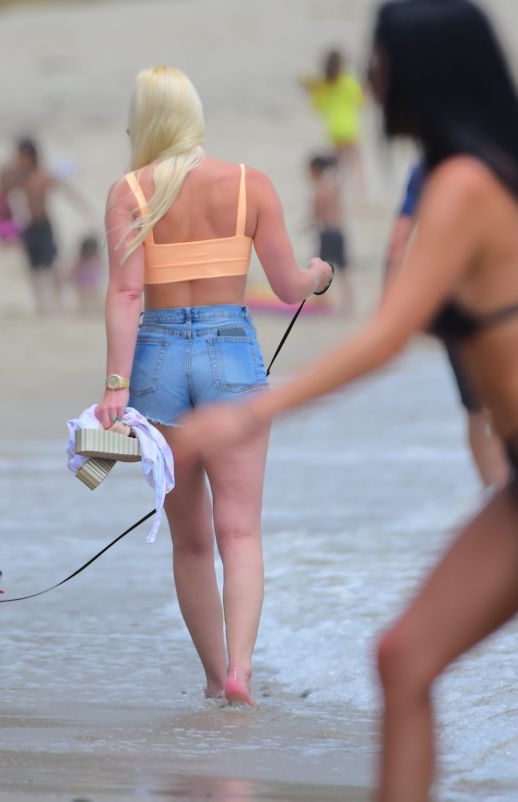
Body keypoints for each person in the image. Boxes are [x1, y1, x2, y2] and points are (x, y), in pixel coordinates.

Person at [178, 1, 518, 798]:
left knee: (404, 662)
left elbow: (385, 337)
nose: (370, 85)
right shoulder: (469, 174)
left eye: (381, 66)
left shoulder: (467, 184)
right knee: (403, 661)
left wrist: (251, 409)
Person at [95, 66, 333, 704]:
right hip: (231, 351)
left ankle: (210, 675)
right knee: (241, 530)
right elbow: (287, 287)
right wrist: (320, 272)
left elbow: (123, 294)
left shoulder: (129, 193)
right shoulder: (250, 184)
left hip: (157, 358)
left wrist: (116, 385)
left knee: (191, 539)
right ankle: (241, 672)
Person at [387, 163, 508, 488]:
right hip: (500, 296)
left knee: (475, 408)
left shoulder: (425, 168)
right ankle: (506, 498)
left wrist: (390, 301)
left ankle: (493, 492)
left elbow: (400, 237)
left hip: (453, 301)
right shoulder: (493, 156)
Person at [0, 137, 92, 314]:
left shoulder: (42, 176)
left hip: (44, 226)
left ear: (31, 156)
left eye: (21, 157)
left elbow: (68, 192)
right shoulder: (18, 178)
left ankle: (58, 302)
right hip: (28, 227)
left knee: (51, 266)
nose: (18, 160)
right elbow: (3, 192)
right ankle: (40, 305)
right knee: (33, 268)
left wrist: (86, 212)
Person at [302, 50, 365, 198]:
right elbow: (360, 102)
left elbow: (317, 107)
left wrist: (313, 90)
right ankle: (360, 195)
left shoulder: (323, 86)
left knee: (337, 166)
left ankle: (338, 192)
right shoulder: (348, 82)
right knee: (357, 164)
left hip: (334, 129)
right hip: (350, 128)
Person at [308, 153, 353, 314]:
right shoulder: (334, 187)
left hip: (327, 234)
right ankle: (349, 305)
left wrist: (307, 226)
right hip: (339, 232)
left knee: (319, 270)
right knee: (343, 270)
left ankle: (320, 302)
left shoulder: (319, 191)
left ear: (314, 172)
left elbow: (316, 216)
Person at [66, 234, 103, 314]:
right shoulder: (94, 260)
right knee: (90, 304)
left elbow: (72, 272)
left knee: (87, 304)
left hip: (84, 288)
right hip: (88, 288)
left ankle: (88, 311)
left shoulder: (83, 260)